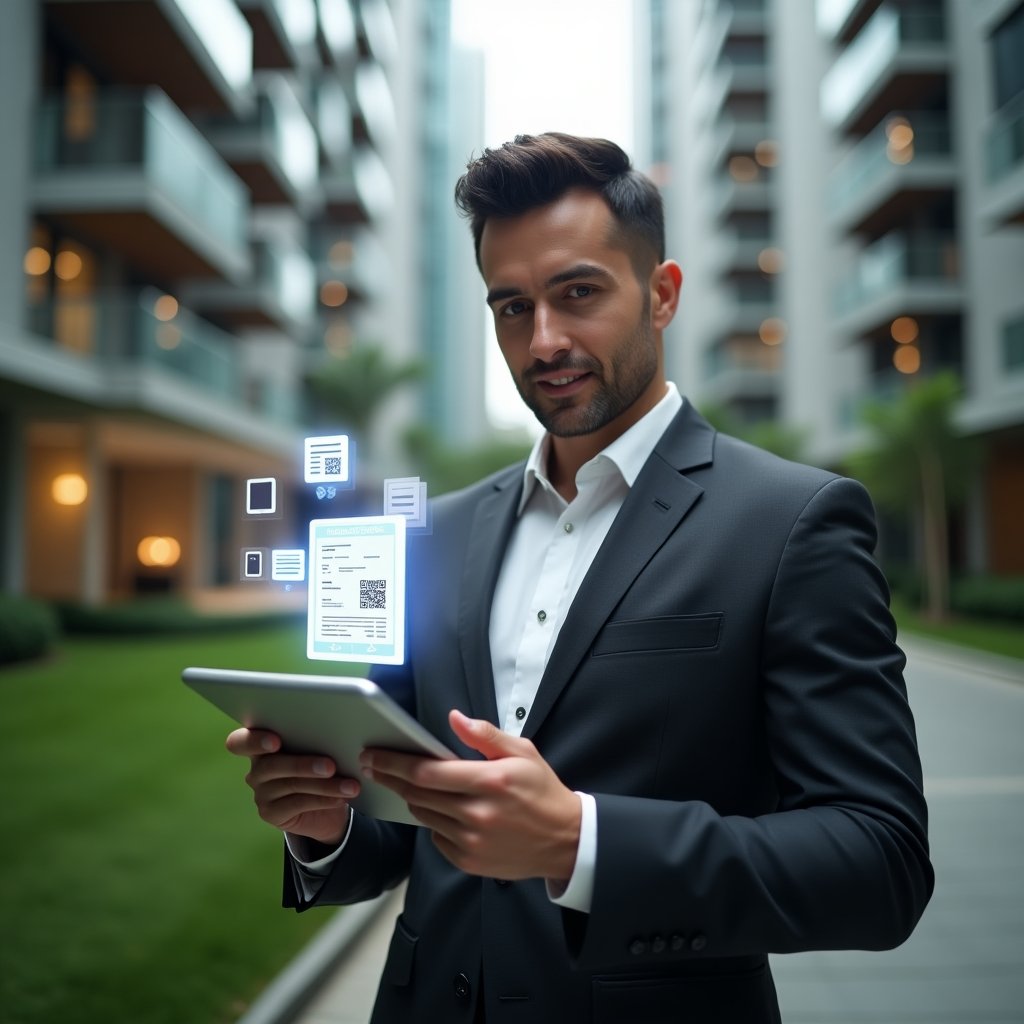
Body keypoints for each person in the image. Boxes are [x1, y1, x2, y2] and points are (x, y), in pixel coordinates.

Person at [227, 132, 933, 1023]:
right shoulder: (436, 533)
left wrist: (580, 843)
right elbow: (399, 829)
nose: (544, 339)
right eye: (512, 307)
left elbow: (880, 861)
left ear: (662, 295)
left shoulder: (795, 522)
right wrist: (323, 828)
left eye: (578, 293)